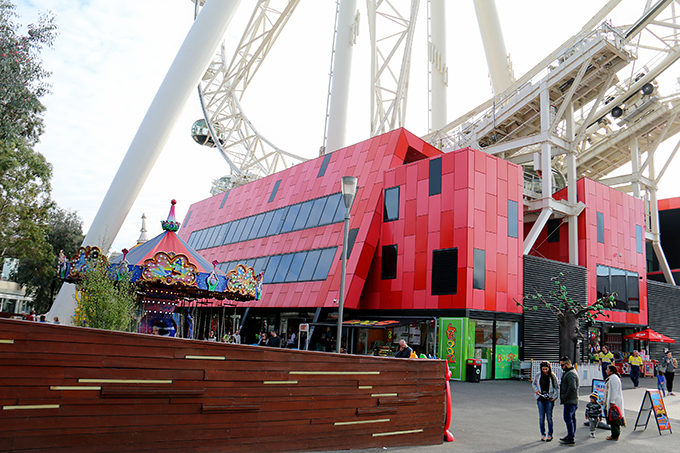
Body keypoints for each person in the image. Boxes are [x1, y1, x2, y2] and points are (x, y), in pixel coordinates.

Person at [531, 361, 559, 442]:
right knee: (541, 417)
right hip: (540, 398)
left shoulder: (552, 376)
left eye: (546, 369)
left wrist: (555, 397)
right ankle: (543, 434)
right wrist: (536, 390)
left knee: (549, 417)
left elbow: (556, 387)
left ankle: (550, 434)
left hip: (549, 398)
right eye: (543, 369)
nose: (545, 371)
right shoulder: (538, 375)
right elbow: (534, 384)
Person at [559, 356, 579, 445]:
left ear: (567, 364)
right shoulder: (570, 372)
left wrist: (565, 396)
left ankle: (571, 437)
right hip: (572, 400)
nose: (561, 367)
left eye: (562, 365)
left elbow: (572, 387)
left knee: (568, 418)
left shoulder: (571, 374)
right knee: (572, 418)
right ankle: (571, 435)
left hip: (570, 401)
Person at [604, 364, 625, 441]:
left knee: (614, 418)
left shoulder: (614, 378)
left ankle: (615, 435)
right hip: (611, 401)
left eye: (607, 370)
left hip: (614, 402)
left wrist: (612, 401)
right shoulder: (612, 378)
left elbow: (614, 391)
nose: (606, 371)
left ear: (611, 371)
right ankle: (614, 434)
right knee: (612, 418)